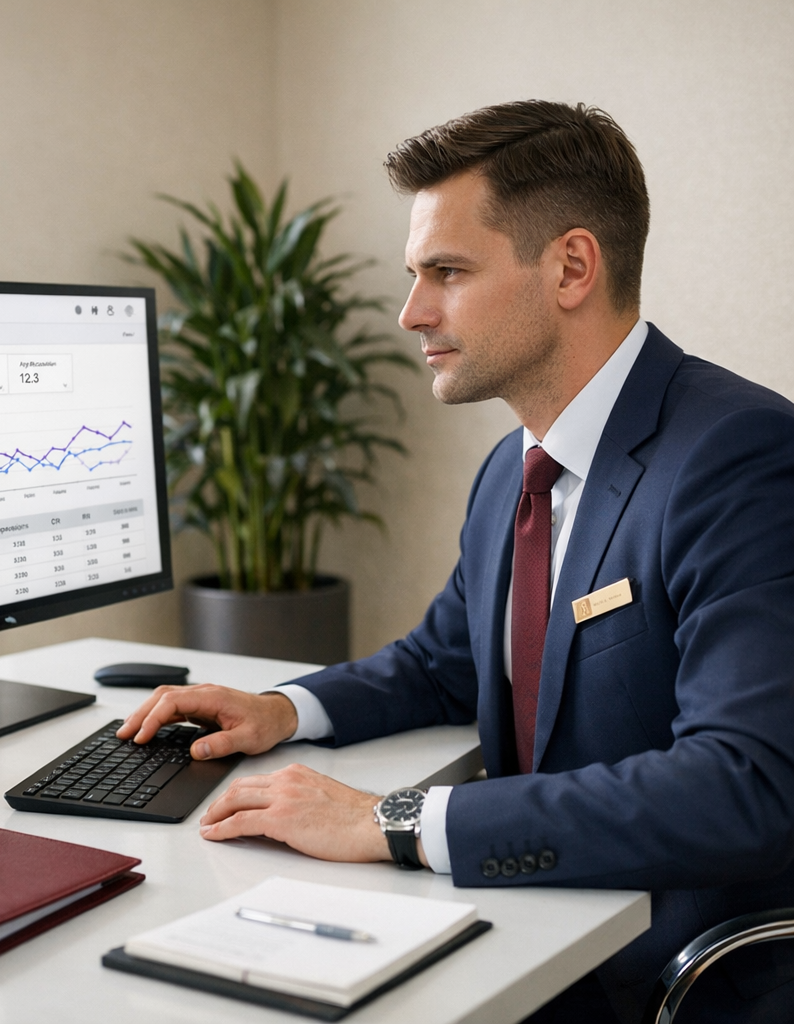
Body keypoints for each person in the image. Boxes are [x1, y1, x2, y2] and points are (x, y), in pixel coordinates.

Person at [118, 101, 794, 1023]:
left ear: (570, 266)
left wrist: (386, 821)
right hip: (529, 926)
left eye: (446, 272)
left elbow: (743, 787)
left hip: (671, 975)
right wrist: (282, 709)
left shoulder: (739, 454)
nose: (410, 312)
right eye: (414, 274)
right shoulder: (512, 470)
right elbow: (443, 660)